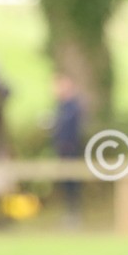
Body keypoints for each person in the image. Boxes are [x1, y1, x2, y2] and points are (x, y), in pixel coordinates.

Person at [50, 73, 83, 226]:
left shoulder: (73, 107)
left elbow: (74, 131)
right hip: (62, 152)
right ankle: (70, 214)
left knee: (72, 184)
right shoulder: (61, 107)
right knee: (66, 184)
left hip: (71, 152)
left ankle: (74, 215)